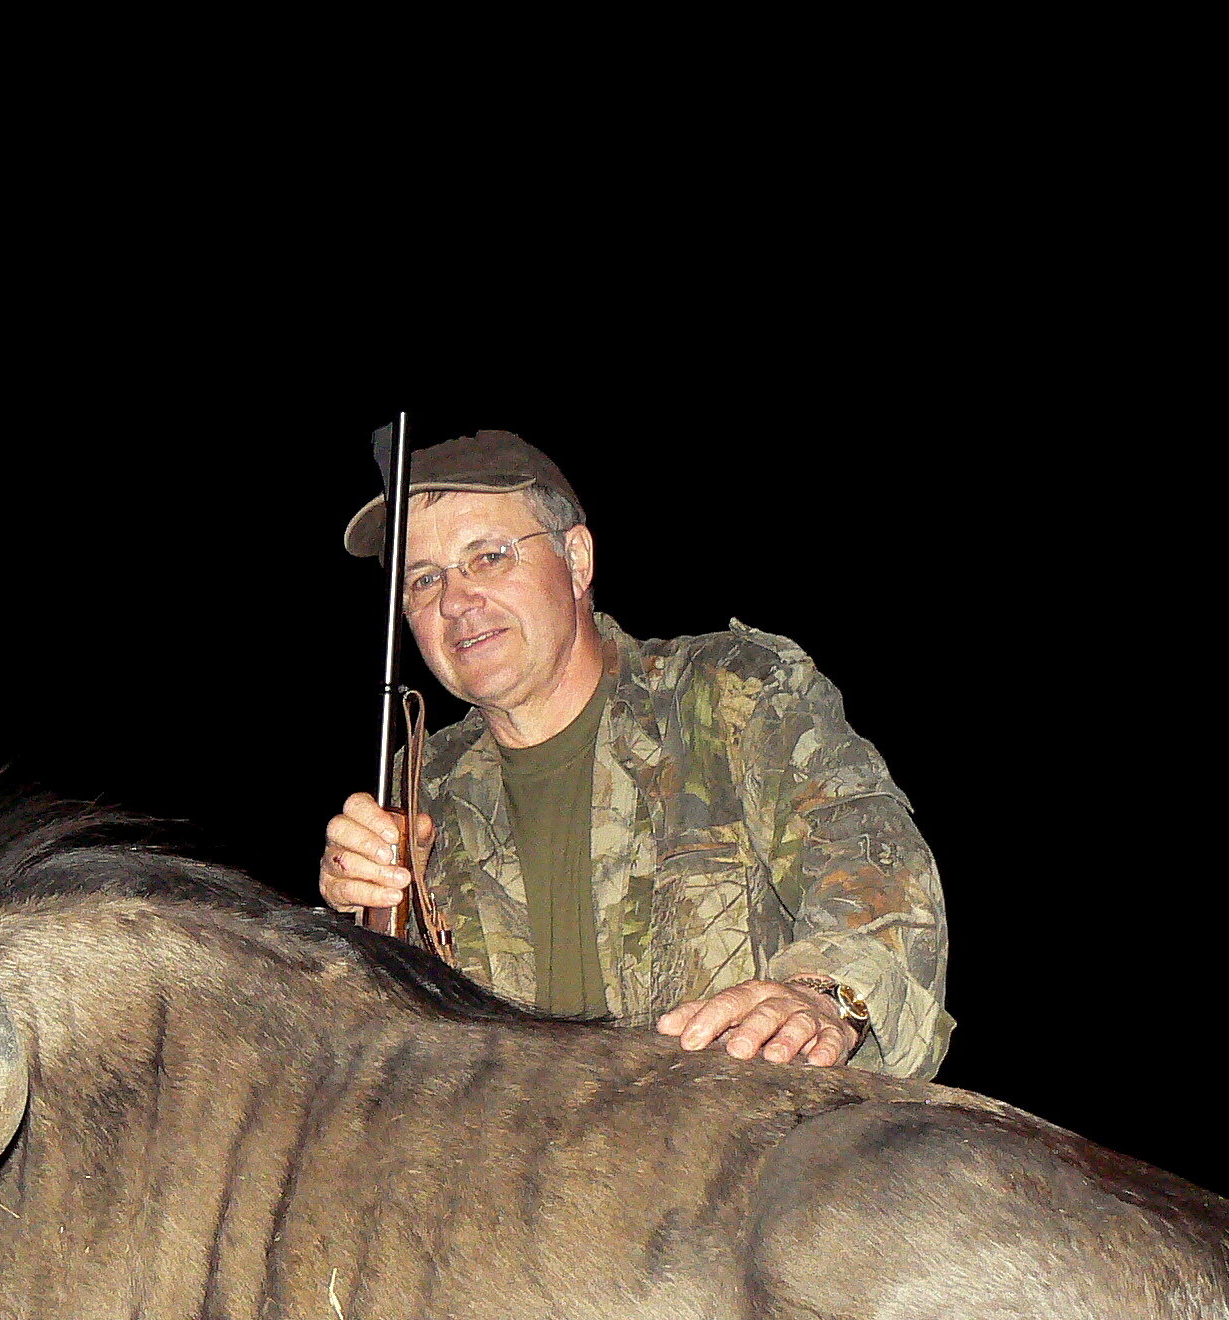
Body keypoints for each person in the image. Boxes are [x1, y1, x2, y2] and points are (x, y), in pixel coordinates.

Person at [317, 431, 951, 1078]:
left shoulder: (736, 696)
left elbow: (875, 864)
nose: (456, 601)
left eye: (489, 557)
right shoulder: (416, 784)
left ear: (577, 559)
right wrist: (357, 924)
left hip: (732, 1155)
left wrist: (821, 996)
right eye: (425, 579)